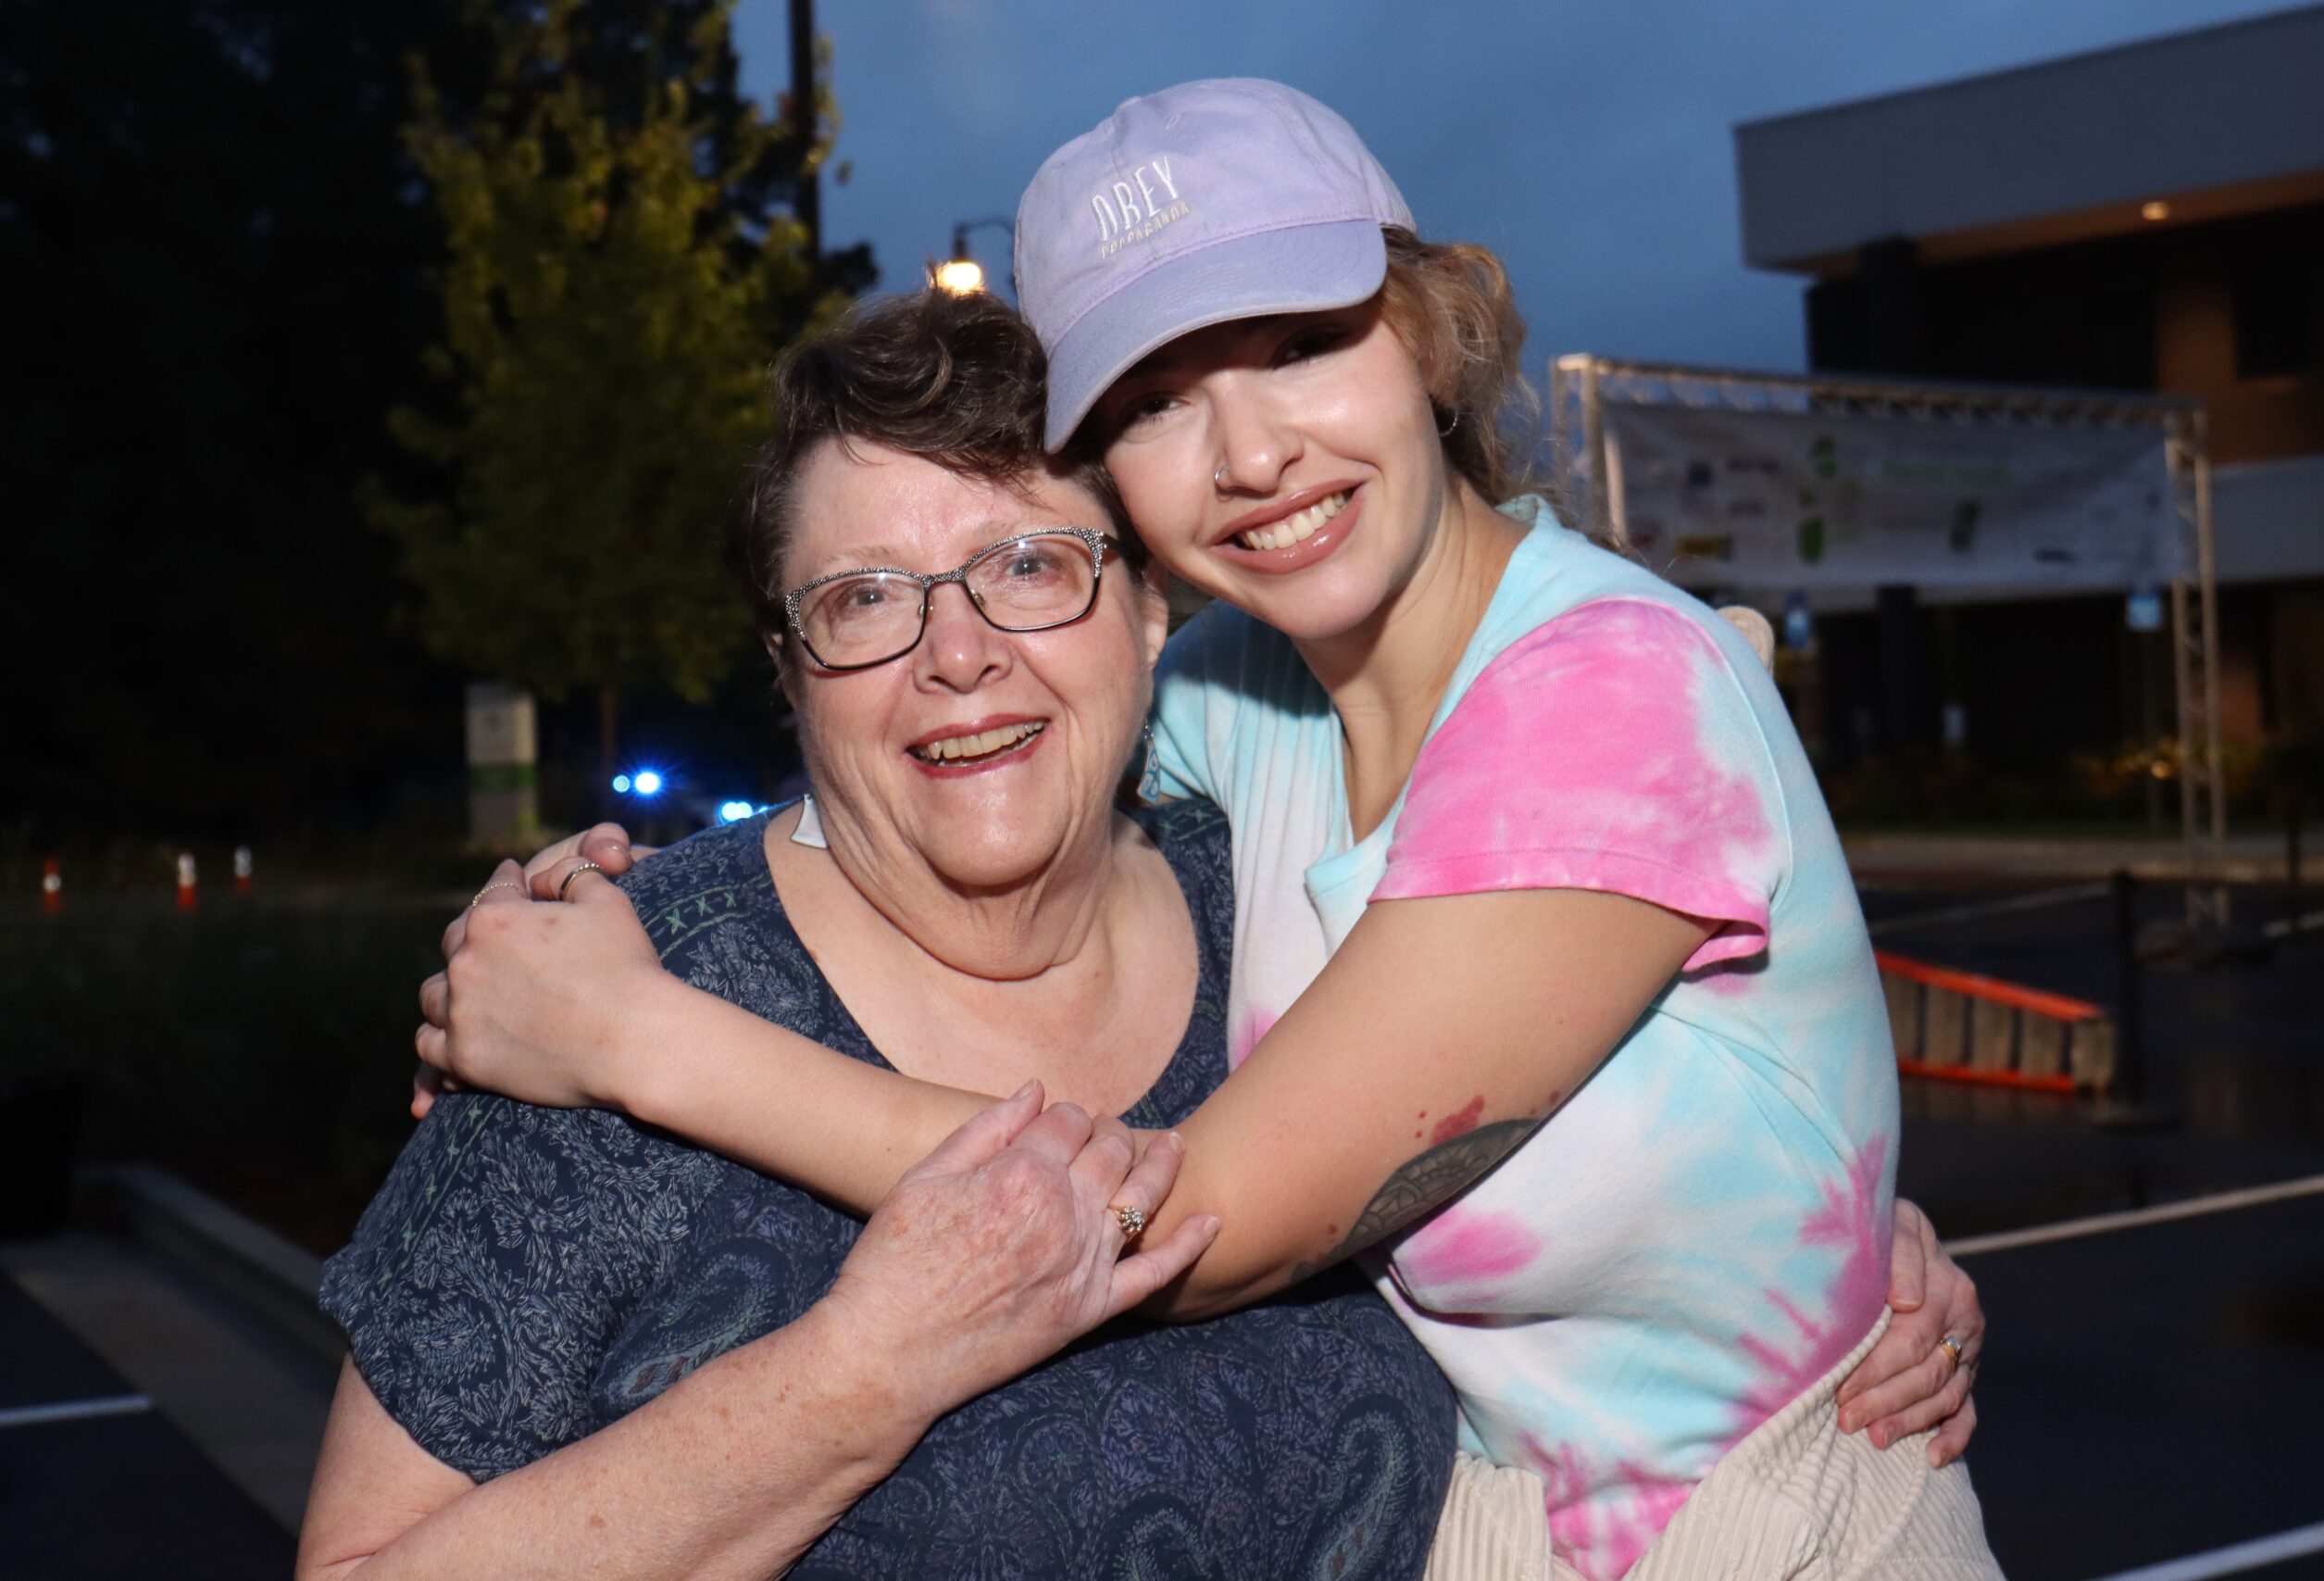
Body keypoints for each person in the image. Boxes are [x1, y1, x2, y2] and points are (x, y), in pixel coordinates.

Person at [418, 82, 1997, 1578]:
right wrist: (613, 900)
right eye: (1161, 400)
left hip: (1780, 1534)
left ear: (1432, 339)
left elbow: (1191, 1227)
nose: (1252, 455)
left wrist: (638, 1041)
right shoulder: (1252, 692)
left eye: (1305, 345)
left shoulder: (1611, 698)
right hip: (1514, 1534)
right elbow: (956, 726)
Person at [303, 292, 1465, 1580]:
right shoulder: (593, 1004)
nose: (956, 656)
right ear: (790, 672)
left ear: (1149, 609)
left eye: (1029, 565)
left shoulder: (1300, 906)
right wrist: (859, 1377)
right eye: (863, 599)